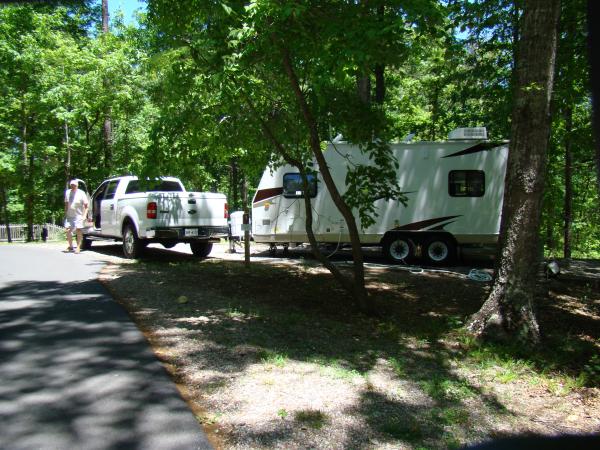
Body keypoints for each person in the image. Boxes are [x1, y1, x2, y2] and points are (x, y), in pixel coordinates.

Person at [64, 179, 89, 254]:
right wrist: (65, 213)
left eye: (74, 185)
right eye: (71, 185)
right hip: (69, 215)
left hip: (78, 215)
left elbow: (86, 205)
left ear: (77, 185)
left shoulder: (81, 193)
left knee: (78, 230)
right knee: (68, 230)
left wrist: (84, 215)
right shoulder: (68, 192)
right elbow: (66, 203)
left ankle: (78, 247)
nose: (72, 186)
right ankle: (71, 246)